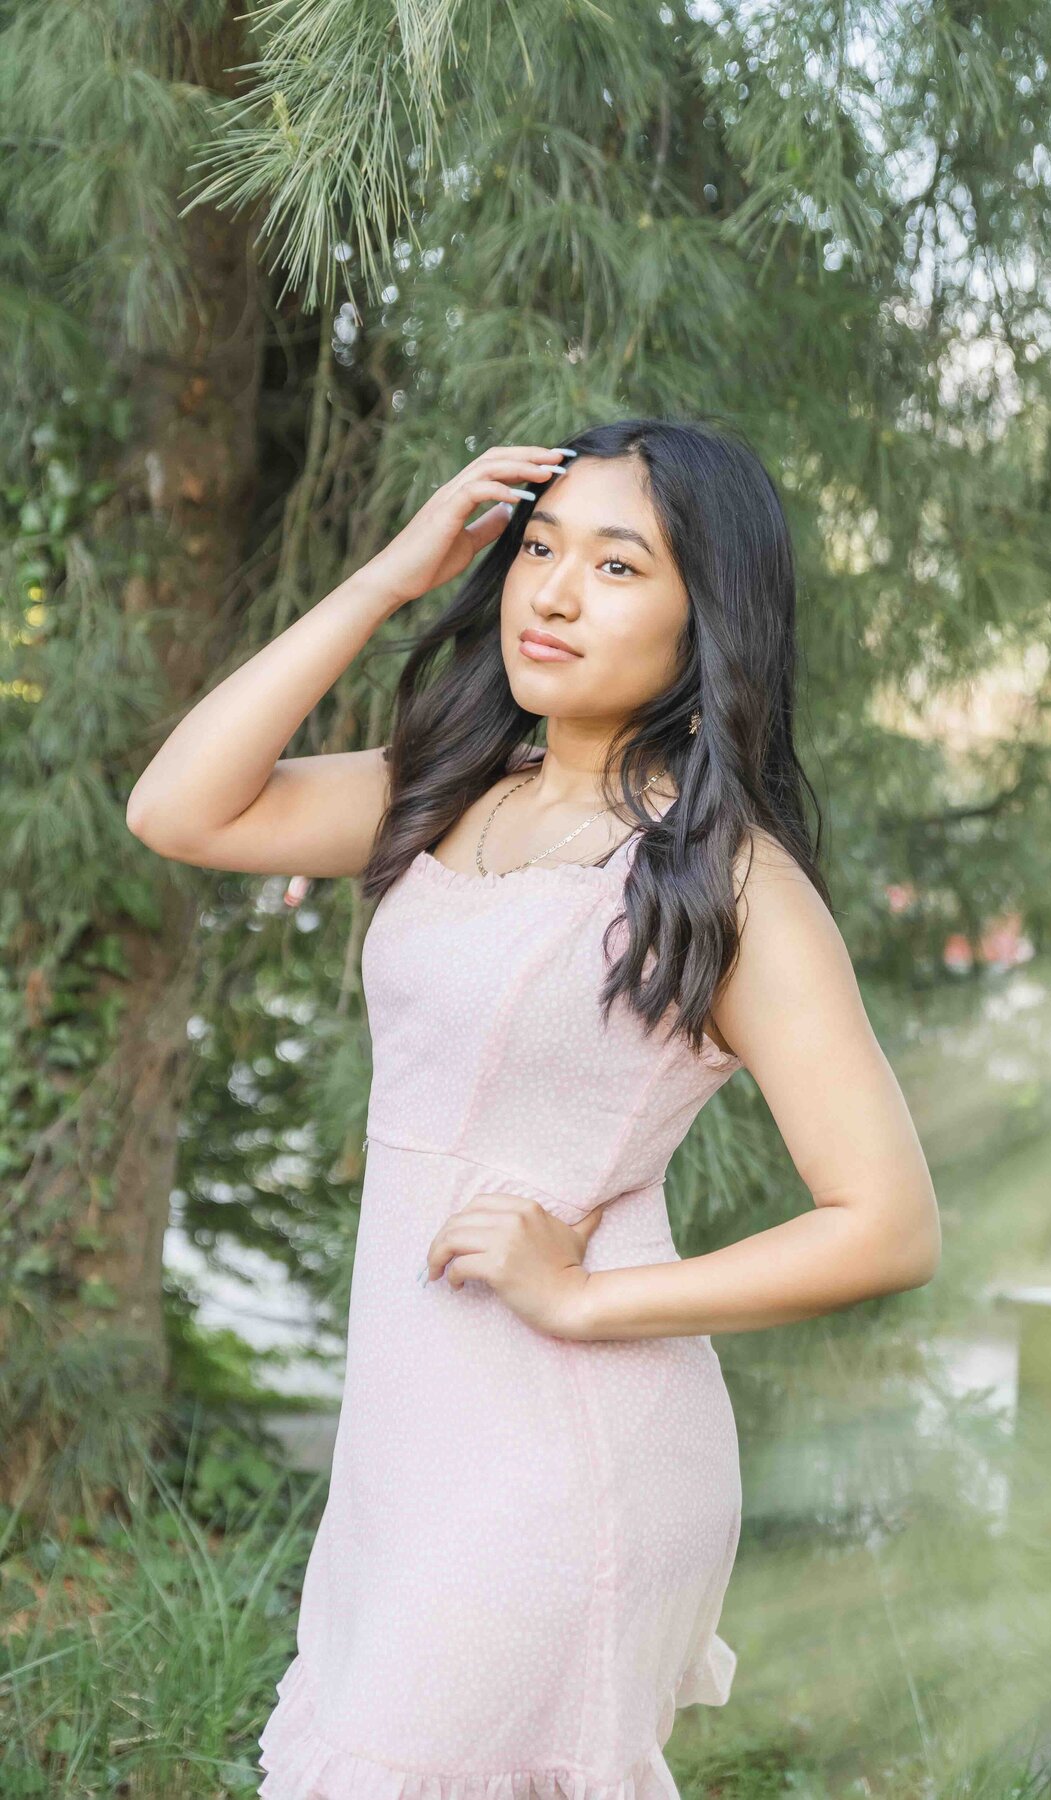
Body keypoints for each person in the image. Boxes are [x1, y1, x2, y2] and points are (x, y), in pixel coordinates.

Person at [127, 416, 941, 1799]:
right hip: (412, 1432)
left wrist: (583, 1301)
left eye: (619, 566)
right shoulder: (439, 802)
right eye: (537, 548)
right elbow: (179, 809)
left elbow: (891, 1223)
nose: (552, 592)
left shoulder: (728, 884)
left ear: (707, 621)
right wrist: (391, 575)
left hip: (565, 1447)